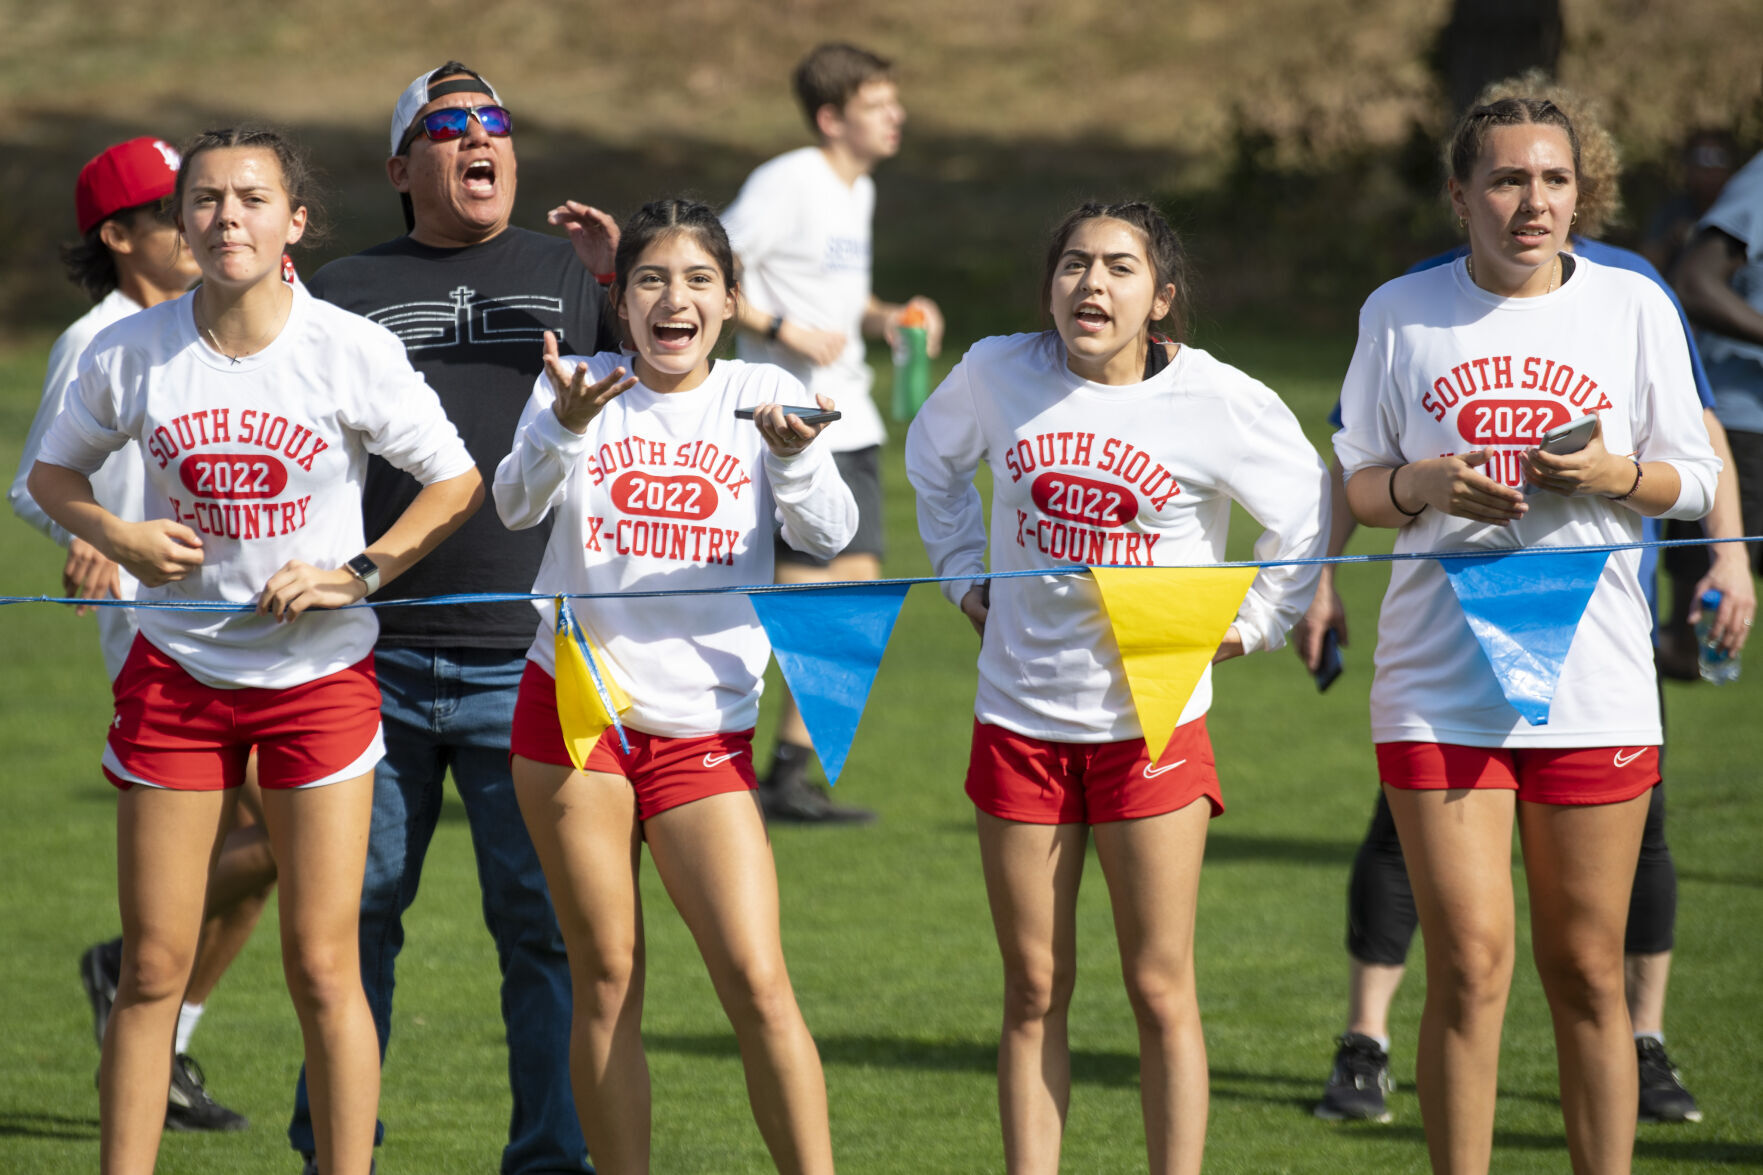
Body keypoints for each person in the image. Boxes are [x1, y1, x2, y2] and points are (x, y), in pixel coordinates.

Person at [27, 126, 482, 1175]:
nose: (226, 216)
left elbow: (454, 482)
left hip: (317, 679)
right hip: (176, 676)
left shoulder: (347, 349)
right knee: (151, 965)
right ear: (182, 223)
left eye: (250, 198)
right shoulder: (129, 351)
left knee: (322, 966)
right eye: (206, 200)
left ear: (294, 222)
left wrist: (358, 571)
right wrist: (119, 535)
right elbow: (53, 478)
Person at [1306, 78, 1753, 1129]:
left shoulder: (1631, 300)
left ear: (1579, 191)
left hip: (1594, 676)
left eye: (1553, 179)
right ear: (1458, 194)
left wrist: (1608, 476)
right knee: (1467, 962)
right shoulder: (1399, 310)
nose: (1532, 200)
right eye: (1505, 179)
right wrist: (1416, 485)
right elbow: (1360, 482)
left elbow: (1689, 476)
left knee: (1589, 970)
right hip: (1433, 679)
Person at [906, 201, 1328, 1174]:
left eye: (1118, 268)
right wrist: (965, 575)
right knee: (1031, 986)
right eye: (1071, 265)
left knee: (1158, 983)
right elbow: (930, 461)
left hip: (1154, 723)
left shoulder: (1214, 398)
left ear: (1160, 296)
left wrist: (1252, 622)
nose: (1090, 285)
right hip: (1017, 717)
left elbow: (1305, 504)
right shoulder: (994, 372)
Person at [284, 61, 619, 1175]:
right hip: (362, 655)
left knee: (544, 929)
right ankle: (334, 1153)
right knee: (348, 925)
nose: (479, 137)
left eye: (495, 122)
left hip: (529, 656)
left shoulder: (573, 272)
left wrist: (622, 284)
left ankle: (552, 1158)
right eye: (448, 125)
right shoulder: (335, 287)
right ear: (401, 166)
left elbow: (684, 369)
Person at [494, 198, 855, 1174]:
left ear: (730, 301)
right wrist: (564, 426)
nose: (674, 298)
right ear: (620, 297)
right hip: (576, 714)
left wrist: (789, 457)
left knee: (755, 975)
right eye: (651, 278)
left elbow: (827, 532)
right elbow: (514, 501)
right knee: (606, 975)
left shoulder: (760, 389)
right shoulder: (580, 384)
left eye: (698, 280)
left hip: (705, 734)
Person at [8, 135, 278, 1133]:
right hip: (158, 637)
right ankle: (134, 977)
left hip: (246, 629)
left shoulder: (202, 326)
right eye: (174, 212)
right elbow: (36, 486)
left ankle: (156, 1028)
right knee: (278, 834)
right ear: (119, 235)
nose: (201, 224)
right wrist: (104, 542)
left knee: (273, 849)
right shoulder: (102, 337)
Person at [722, 41, 944, 823]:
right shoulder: (787, 182)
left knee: (852, 606)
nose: (897, 117)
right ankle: (701, 749)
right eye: (878, 106)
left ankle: (785, 773)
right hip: (790, 419)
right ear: (830, 117)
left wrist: (893, 316)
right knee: (799, 602)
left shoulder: (859, 192)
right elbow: (712, 269)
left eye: (893, 103)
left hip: (852, 418)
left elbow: (841, 298)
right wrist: (779, 326)